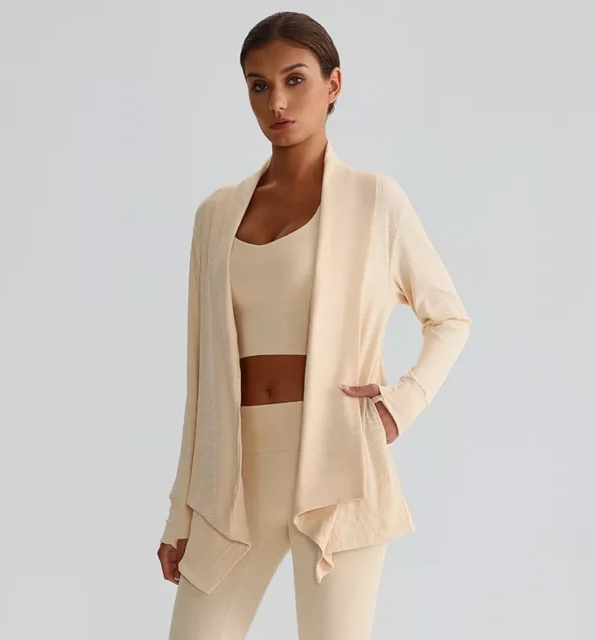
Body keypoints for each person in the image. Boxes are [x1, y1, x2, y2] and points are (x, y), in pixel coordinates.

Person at [157, 11, 471, 640]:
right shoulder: (216, 215)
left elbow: (449, 319)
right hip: (232, 476)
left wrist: (399, 406)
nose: (276, 101)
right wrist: (179, 513)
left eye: (294, 79)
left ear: (333, 84)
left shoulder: (374, 199)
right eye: (259, 85)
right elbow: (201, 378)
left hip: (338, 465)